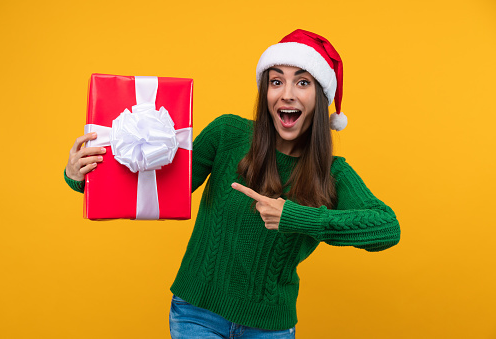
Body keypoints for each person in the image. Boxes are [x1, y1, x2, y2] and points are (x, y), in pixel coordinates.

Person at [65, 29, 400, 338]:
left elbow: (387, 228)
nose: (286, 94)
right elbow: (163, 188)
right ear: (265, 91)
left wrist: (295, 216)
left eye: (302, 83)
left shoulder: (333, 173)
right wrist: (84, 177)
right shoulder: (228, 135)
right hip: (197, 313)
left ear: (320, 96)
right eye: (275, 82)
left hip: (270, 327)